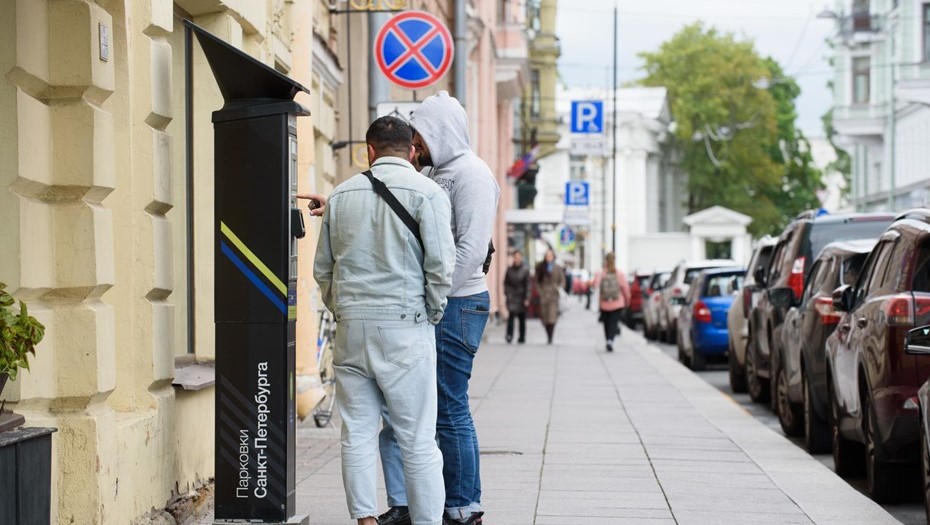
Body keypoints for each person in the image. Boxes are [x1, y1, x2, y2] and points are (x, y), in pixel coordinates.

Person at [314, 116, 456, 525]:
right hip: (405, 324)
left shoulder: (341, 195)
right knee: (417, 438)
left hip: (351, 328)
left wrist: (343, 309)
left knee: (356, 432)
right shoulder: (428, 193)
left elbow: (323, 269)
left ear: (370, 151)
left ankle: (365, 520)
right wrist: (432, 311)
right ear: (411, 151)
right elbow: (441, 265)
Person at [378, 91, 500, 525]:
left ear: (440, 132)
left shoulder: (472, 174)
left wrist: (435, 293)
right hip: (437, 302)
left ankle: (464, 507)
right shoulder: (433, 172)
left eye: (421, 135)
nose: (415, 144)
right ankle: (421, 503)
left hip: (459, 304)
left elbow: (470, 249)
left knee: (449, 407)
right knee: (417, 409)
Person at [593, 252, 632, 352]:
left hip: (604, 303)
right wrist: (627, 300)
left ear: (605, 260)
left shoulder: (602, 273)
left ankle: (608, 340)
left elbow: (596, 286)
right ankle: (610, 340)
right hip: (617, 303)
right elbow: (625, 288)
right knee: (613, 322)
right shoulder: (619, 273)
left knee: (606, 323)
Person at [534, 248, 565, 344]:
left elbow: (562, 280)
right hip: (544, 295)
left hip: (554, 296)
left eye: (550, 256)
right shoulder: (541, 267)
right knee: (545, 317)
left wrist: (559, 289)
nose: (549, 257)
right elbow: (537, 281)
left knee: (552, 317)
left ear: (553, 257)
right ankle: (548, 334)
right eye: (547, 256)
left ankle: (550, 337)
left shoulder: (557, 267)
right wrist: (540, 291)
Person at [503, 250, 531, 344]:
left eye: (518, 257)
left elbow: (528, 285)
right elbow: (506, 283)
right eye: (515, 257)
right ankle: (509, 335)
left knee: (522, 318)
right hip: (512, 297)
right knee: (511, 317)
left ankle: (522, 337)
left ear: (521, 258)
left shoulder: (525, 270)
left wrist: (527, 298)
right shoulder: (509, 270)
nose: (517, 259)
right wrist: (507, 293)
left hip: (521, 297)